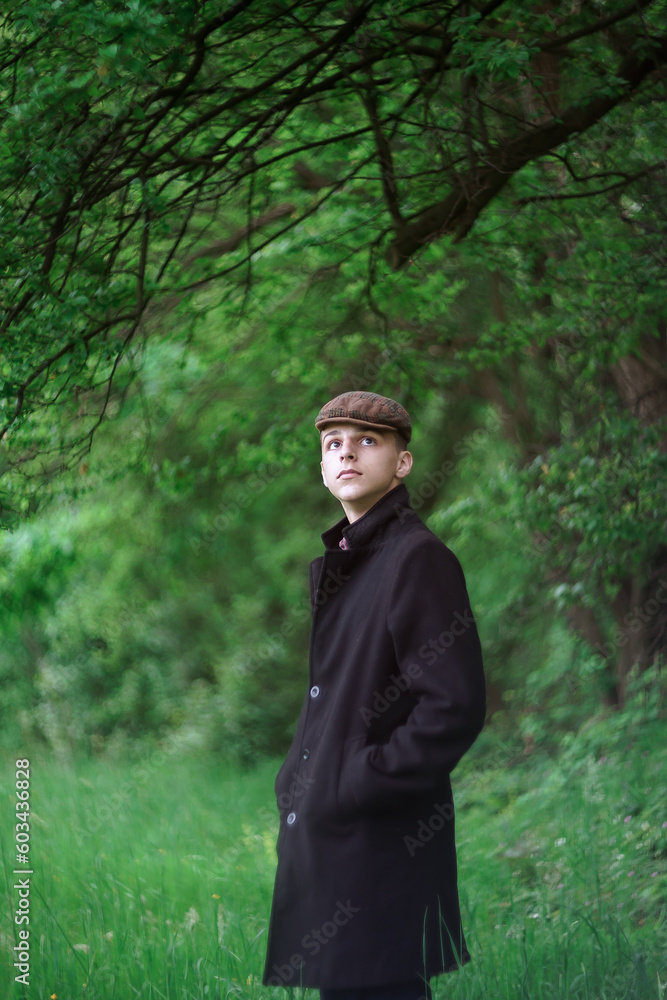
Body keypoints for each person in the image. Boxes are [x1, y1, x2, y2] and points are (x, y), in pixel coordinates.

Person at [262, 390, 486, 1000]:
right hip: (336, 833)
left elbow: (453, 705)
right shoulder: (349, 560)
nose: (347, 453)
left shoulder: (417, 558)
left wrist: (360, 779)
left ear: (403, 462)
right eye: (334, 444)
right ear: (323, 467)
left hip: (381, 837)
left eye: (368, 440)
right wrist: (299, 778)